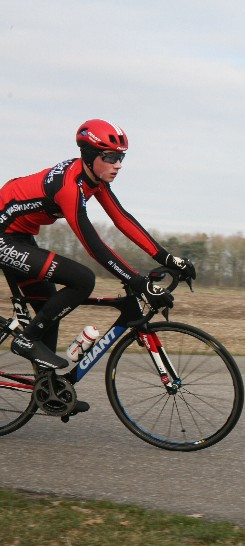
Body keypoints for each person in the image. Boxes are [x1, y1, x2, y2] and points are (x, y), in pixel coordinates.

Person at [0, 119, 195, 398]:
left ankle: (48, 391)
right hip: (4, 238)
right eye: (111, 157)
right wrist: (137, 281)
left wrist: (168, 258)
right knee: (82, 279)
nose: (118, 165)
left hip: (18, 237)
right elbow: (94, 246)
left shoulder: (94, 180)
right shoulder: (69, 186)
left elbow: (122, 220)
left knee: (49, 308)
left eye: (121, 157)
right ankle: (26, 340)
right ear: (90, 156)